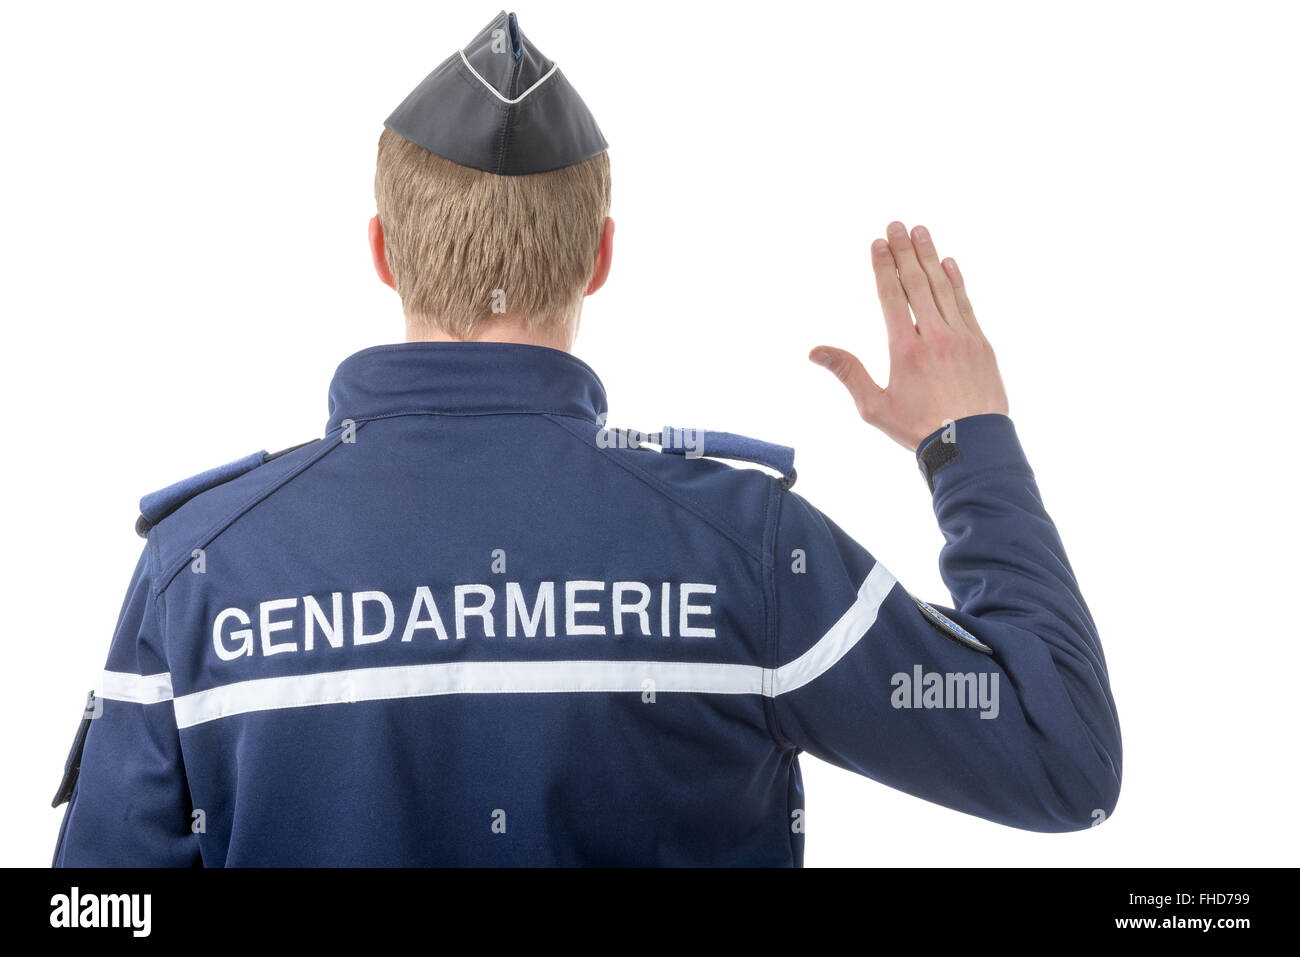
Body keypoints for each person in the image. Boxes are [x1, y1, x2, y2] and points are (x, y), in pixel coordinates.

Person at [52, 11, 1120, 867]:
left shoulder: (197, 569)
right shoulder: (744, 552)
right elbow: (1056, 754)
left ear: (381, 251)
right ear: (600, 256)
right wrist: (962, 443)